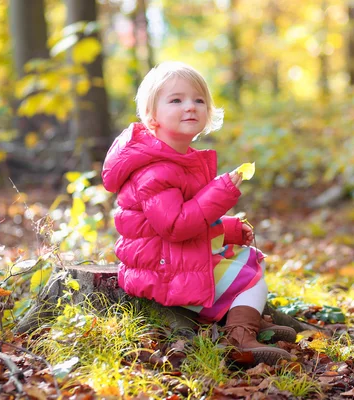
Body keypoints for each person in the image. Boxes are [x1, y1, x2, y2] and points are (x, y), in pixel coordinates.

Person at [101, 61, 295, 365]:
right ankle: (240, 335)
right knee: (249, 276)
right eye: (176, 100)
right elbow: (176, 226)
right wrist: (220, 193)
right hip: (162, 270)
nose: (190, 107)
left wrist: (227, 229)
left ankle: (246, 319)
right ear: (152, 116)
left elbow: (187, 216)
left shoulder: (178, 159)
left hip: (171, 256)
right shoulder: (157, 170)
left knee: (246, 257)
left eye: (198, 100)